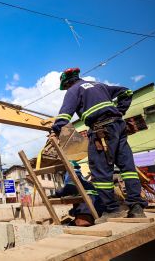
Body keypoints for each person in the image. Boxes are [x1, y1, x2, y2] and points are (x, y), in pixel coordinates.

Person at [51, 68, 147, 223]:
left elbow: (64, 115)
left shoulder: (73, 90)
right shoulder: (99, 85)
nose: (67, 89)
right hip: (119, 126)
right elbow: (127, 92)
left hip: (101, 130)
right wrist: (119, 111)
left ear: (67, 83)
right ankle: (136, 208)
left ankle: (112, 210)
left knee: (101, 171)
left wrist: (55, 130)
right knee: (127, 168)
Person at [51, 161, 103, 226]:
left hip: (88, 207)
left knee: (80, 223)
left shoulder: (73, 175)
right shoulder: (79, 175)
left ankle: (85, 221)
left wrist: (56, 194)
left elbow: (69, 188)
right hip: (94, 205)